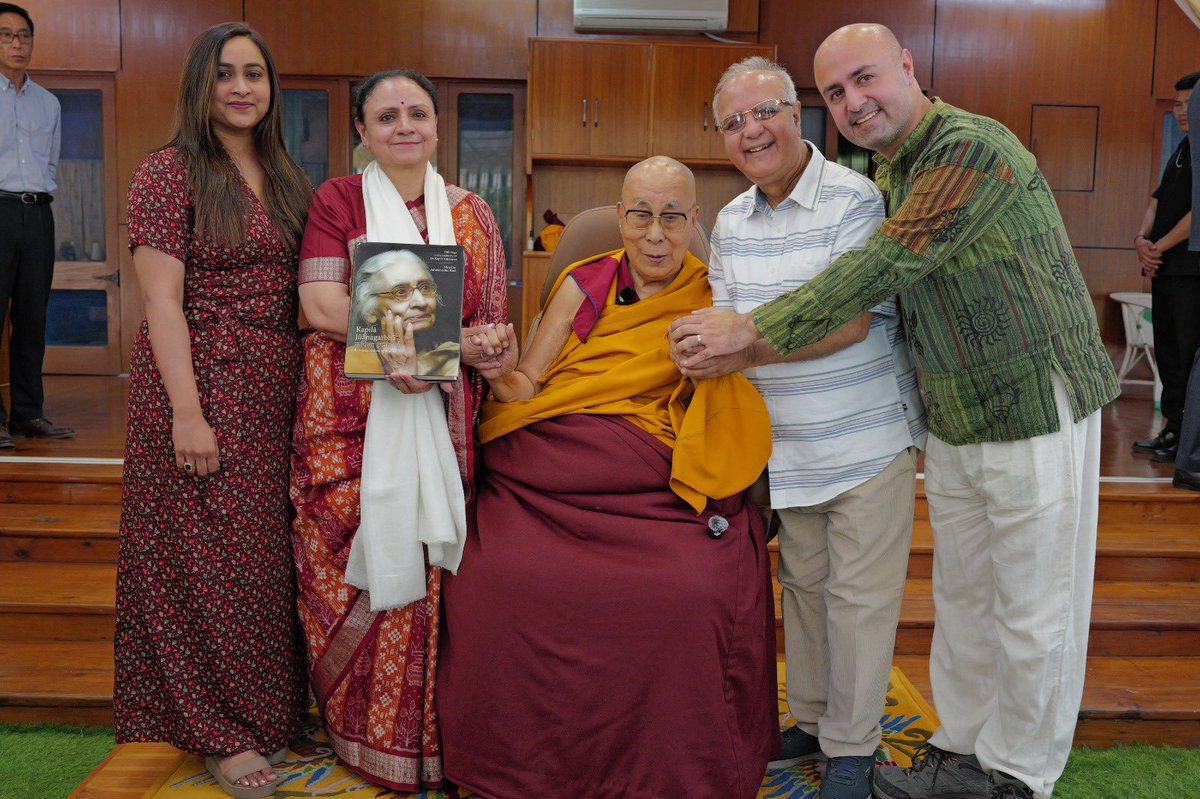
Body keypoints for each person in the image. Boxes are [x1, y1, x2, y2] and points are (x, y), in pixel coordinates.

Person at [669, 24, 1120, 799]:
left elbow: (884, 266)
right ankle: (960, 751)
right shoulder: (892, 167)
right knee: (965, 602)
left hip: (1032, 399)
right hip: (953, 411)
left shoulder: (968, 148)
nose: (854, 101)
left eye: (866, 78)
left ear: (908, 67)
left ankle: (1018, 772)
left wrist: (748, 332)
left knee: (1034, 602)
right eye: (837, 91)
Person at [438, 156, 777, 799]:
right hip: (554, 462)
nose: (655, 235)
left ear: (694, 221)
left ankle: (671, 771)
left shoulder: (718, 297)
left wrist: (706, 365)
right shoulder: (581, 282)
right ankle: (516, 764)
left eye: (672, 218)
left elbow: (727, 400)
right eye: (641, 216)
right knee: (488, 572)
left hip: (651, 474)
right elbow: (527, 385)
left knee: (694, 589)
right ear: (620, 217)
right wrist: (498, 369)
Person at [680, 56, 927, 799]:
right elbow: (723, 325)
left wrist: (740, 343)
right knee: (805, 590)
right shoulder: (730, 221)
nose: (752, 131)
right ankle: (817, 723)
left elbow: (849, 321)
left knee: (858, 601)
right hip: (783, 445)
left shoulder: (855, 199)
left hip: (864, 437)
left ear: (797, 114)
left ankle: (853, 750)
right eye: (734, 122)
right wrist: (699, 348)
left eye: (765, 112)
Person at [289, 68, 509, 791]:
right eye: (386, 116)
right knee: (345, 573)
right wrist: (426, 347)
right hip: (348, 423)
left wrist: (488, 347)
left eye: (417, 113)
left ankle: (434, 746)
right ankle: (363, 739)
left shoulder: (473, 215)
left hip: (439, 428)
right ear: (362, 130)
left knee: (433, 583)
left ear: (438, 126)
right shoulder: (339, 200)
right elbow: (321, 304)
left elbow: (490, 322)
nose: (404, 126)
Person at [114, 22, 312, 799]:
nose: (241, 87)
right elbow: (162, 301)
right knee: (207, 563)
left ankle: (267, 713)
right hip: (202, 384)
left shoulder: (287, 174)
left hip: (276, 388)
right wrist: (187, 412)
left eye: (254, 73)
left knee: (263, 560)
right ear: (201, 83)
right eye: (225, 73)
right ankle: (221, 732)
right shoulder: (168, 172)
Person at [0, 2, 72, 449]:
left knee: (32, 318)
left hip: (37, 212)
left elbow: (50, 164)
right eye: (6, 35)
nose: (17, 43)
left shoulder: (49, 103)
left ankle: (27, 413)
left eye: (24, 35)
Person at [1130, 72, 1199, 463]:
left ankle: (1188, 438)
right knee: (1169, 353)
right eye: (1177, 103)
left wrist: (1157, 246)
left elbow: (1198, 213)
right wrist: (1141, 239)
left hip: (1191, 270)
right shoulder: (1181, 148)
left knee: (1188, 355)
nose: (1182, 110)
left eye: (1190, 103)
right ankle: (1172, 428)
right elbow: (1157, 201)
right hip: (1164, 268)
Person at [344, 248, 460, 378]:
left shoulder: (452, 355)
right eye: (400, 292)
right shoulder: (355, 362)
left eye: (426, 287)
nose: (421, 302)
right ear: (370, 311)